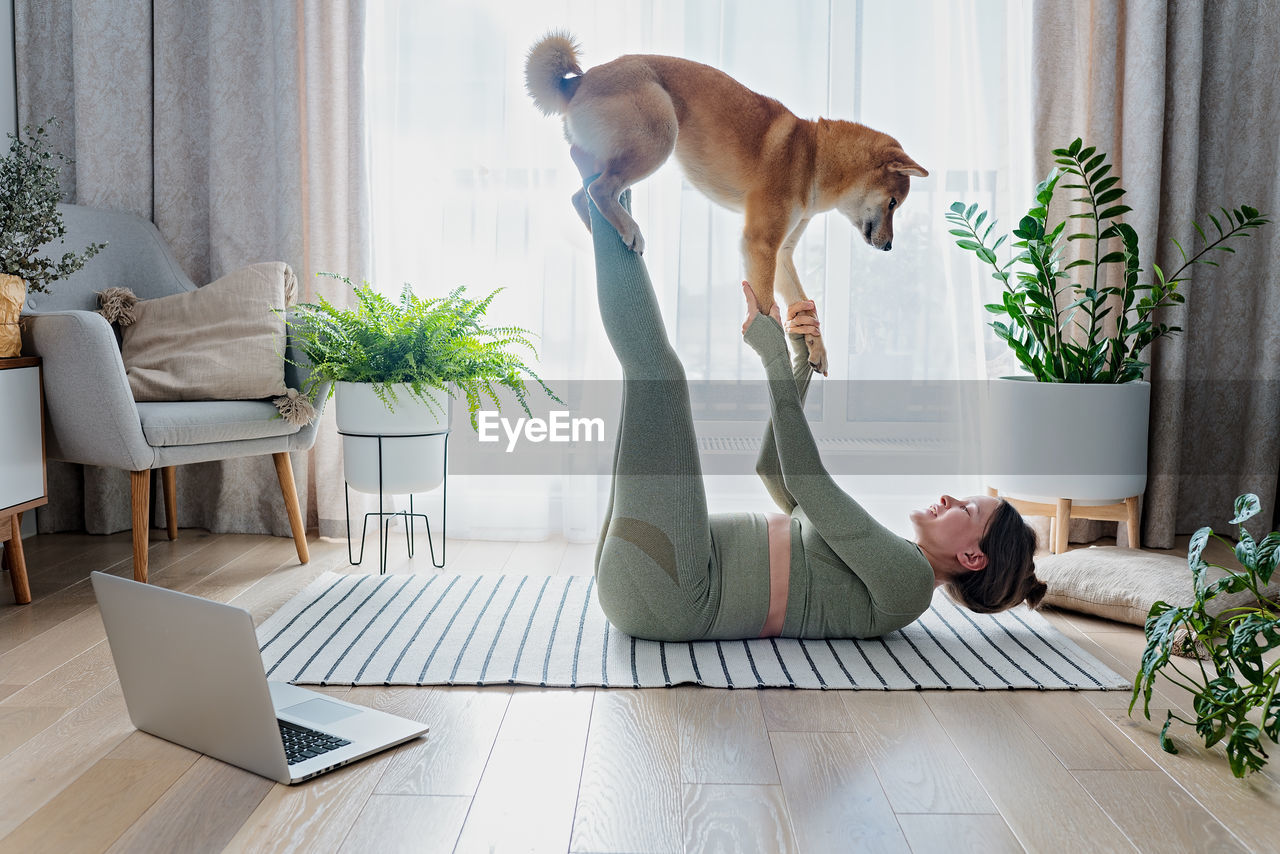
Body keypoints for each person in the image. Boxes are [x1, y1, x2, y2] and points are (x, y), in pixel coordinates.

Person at [581, 170, 1044, 643]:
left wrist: (775, 361)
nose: (950, 498)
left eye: (966, 510)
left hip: (677, 592)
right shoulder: (883, 557)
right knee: (653, 378)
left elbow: (807, 479)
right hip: (664, 576)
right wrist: (800, 362)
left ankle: (605, 202)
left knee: (658, 376)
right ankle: (604, 213)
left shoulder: (909, 585)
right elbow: (775, 470)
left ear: (972, 558)